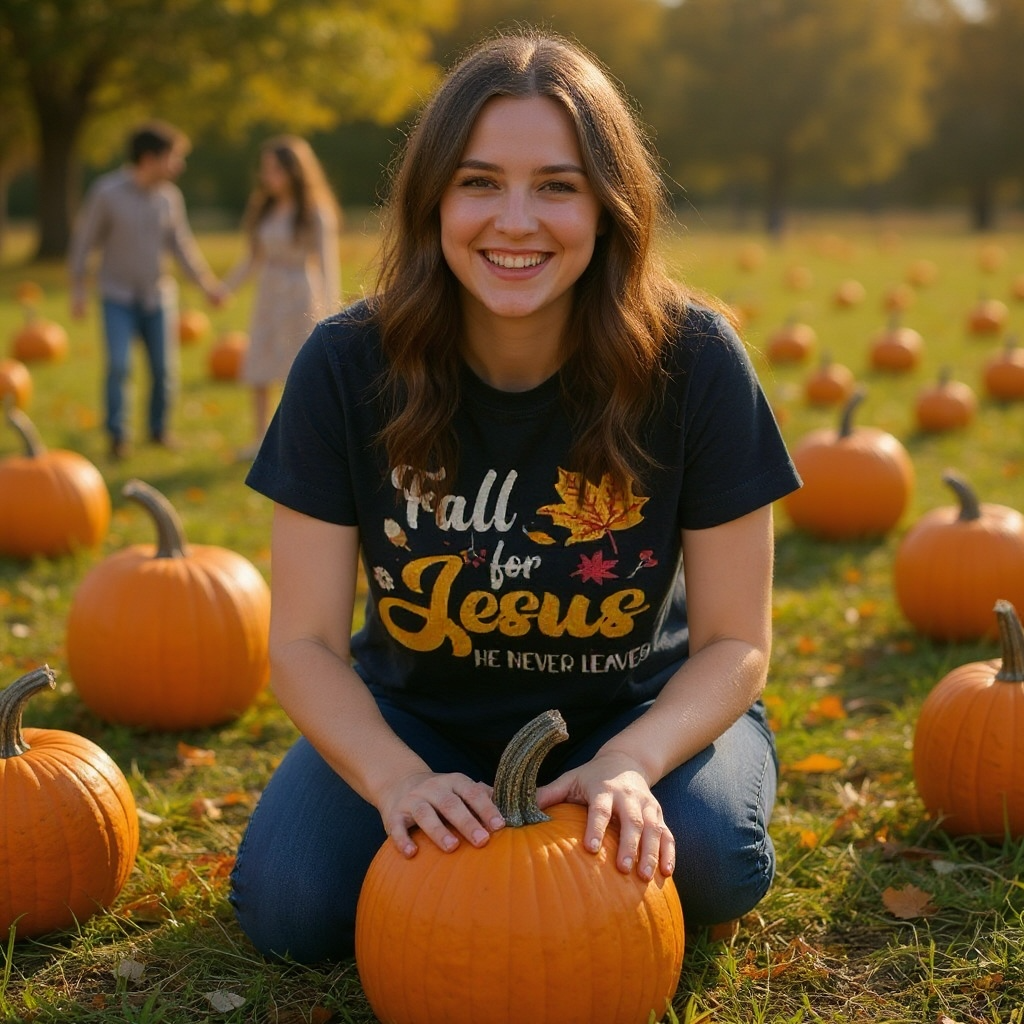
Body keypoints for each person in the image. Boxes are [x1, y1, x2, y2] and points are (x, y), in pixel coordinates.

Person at [230, 30, 802, 965]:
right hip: (416, 717)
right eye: (480, 181)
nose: (516, 220)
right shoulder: (345, 365)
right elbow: (301, 643)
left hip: (636, 710)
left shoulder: (694, 360)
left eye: (558, 185)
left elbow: (738, 642)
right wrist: (396, 778)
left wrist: (632, 760)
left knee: (707, 863)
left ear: (610, 207)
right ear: (434, 200)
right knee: (292, 908)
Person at [68, 120, 226, 460]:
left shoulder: (169, 198)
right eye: (174, 157)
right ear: (150, 158)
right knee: (120, 366)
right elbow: (84, 244)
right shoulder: (106, 193)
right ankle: (117, 436)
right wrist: (78, 289)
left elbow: (181, 246)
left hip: (158, 296)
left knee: (164, 370)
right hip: (117, 297)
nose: (179, 166)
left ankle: (158, 431)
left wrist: (207, 285)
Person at [223, 135, 341, 460]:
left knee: (296, 368)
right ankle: (260, 439)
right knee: (259, 362)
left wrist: (332, 313)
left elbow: (328, 264)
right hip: (268, 292)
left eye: (275, 169)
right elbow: (252, 258)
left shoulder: (315, 212)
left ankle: (298, 442)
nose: (267, 176)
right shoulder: (266, 208)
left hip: (299, 293)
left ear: (295, 171)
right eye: (265, 169)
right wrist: (226, 288)